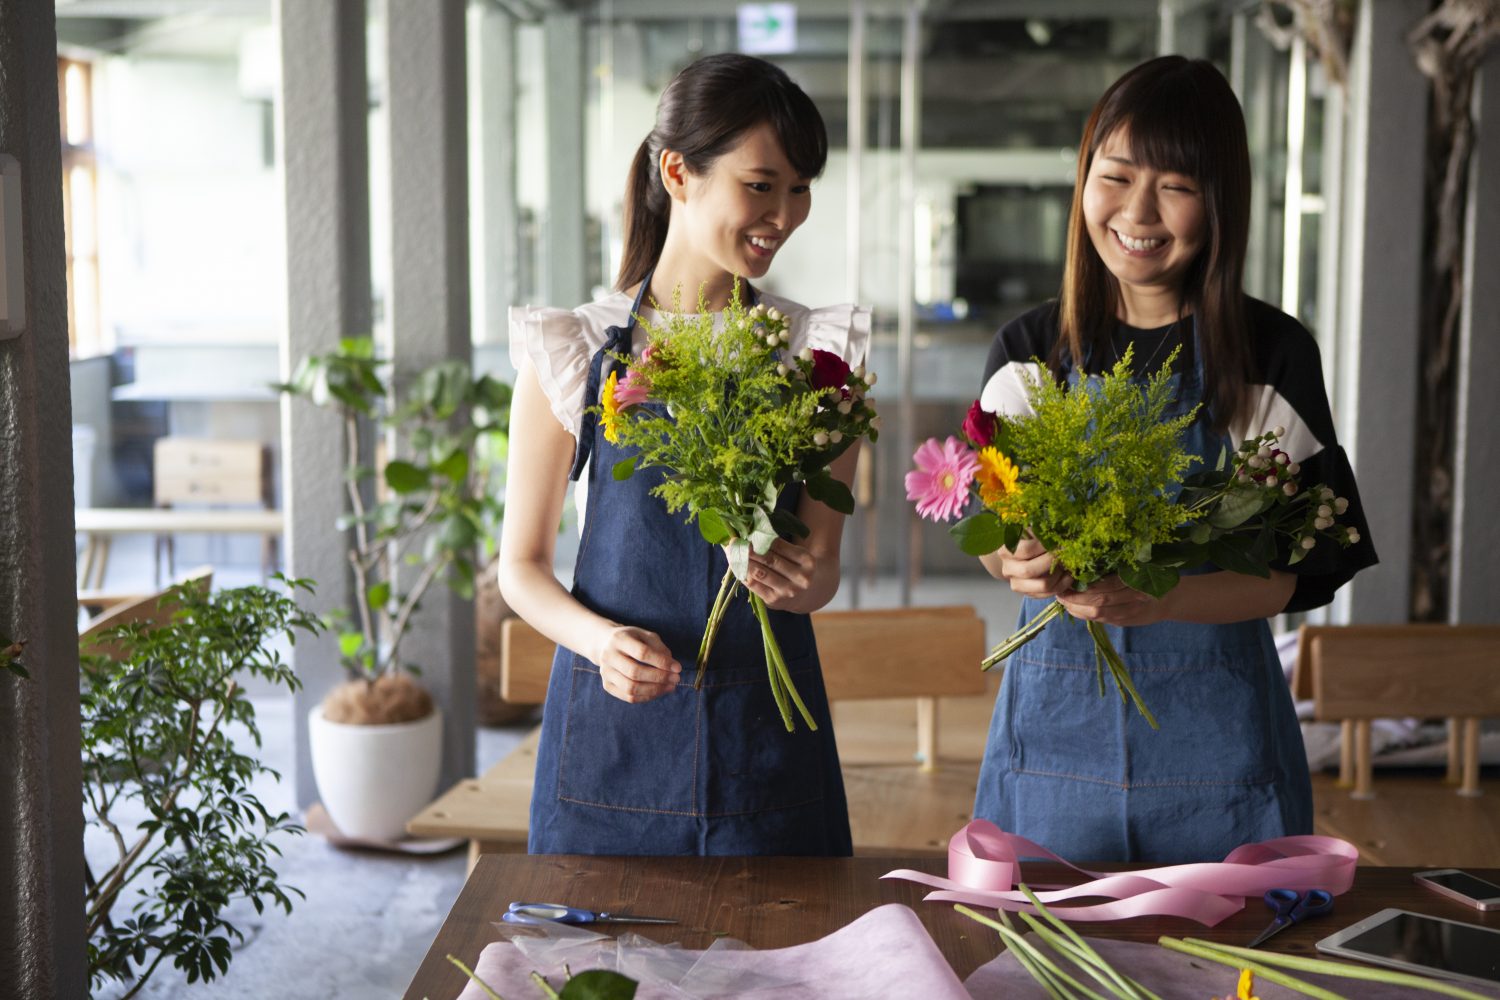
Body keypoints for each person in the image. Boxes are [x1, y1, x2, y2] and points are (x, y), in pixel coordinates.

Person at [973, 56, 1378, 863]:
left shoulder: (1270, 356)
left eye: (1177, 187)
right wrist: (1016, 559)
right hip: (1052, 758)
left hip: (1223, 771)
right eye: (1116, 177)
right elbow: (989, 532)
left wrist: (1164, 601)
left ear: (1220, 201)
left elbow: (1308, 570)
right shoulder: (1029, 351)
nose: (1138, 212)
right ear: (1084, 181)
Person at [499, 53, 866, 857]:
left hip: (767, 742)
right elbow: (518, 568)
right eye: (762, 184)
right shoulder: (578, 345)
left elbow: (826, 559)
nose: (785, 213)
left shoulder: (819, 352)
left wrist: (805, 582)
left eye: (800, 187)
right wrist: (601, 645)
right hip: (614, 734)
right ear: (678, 172)